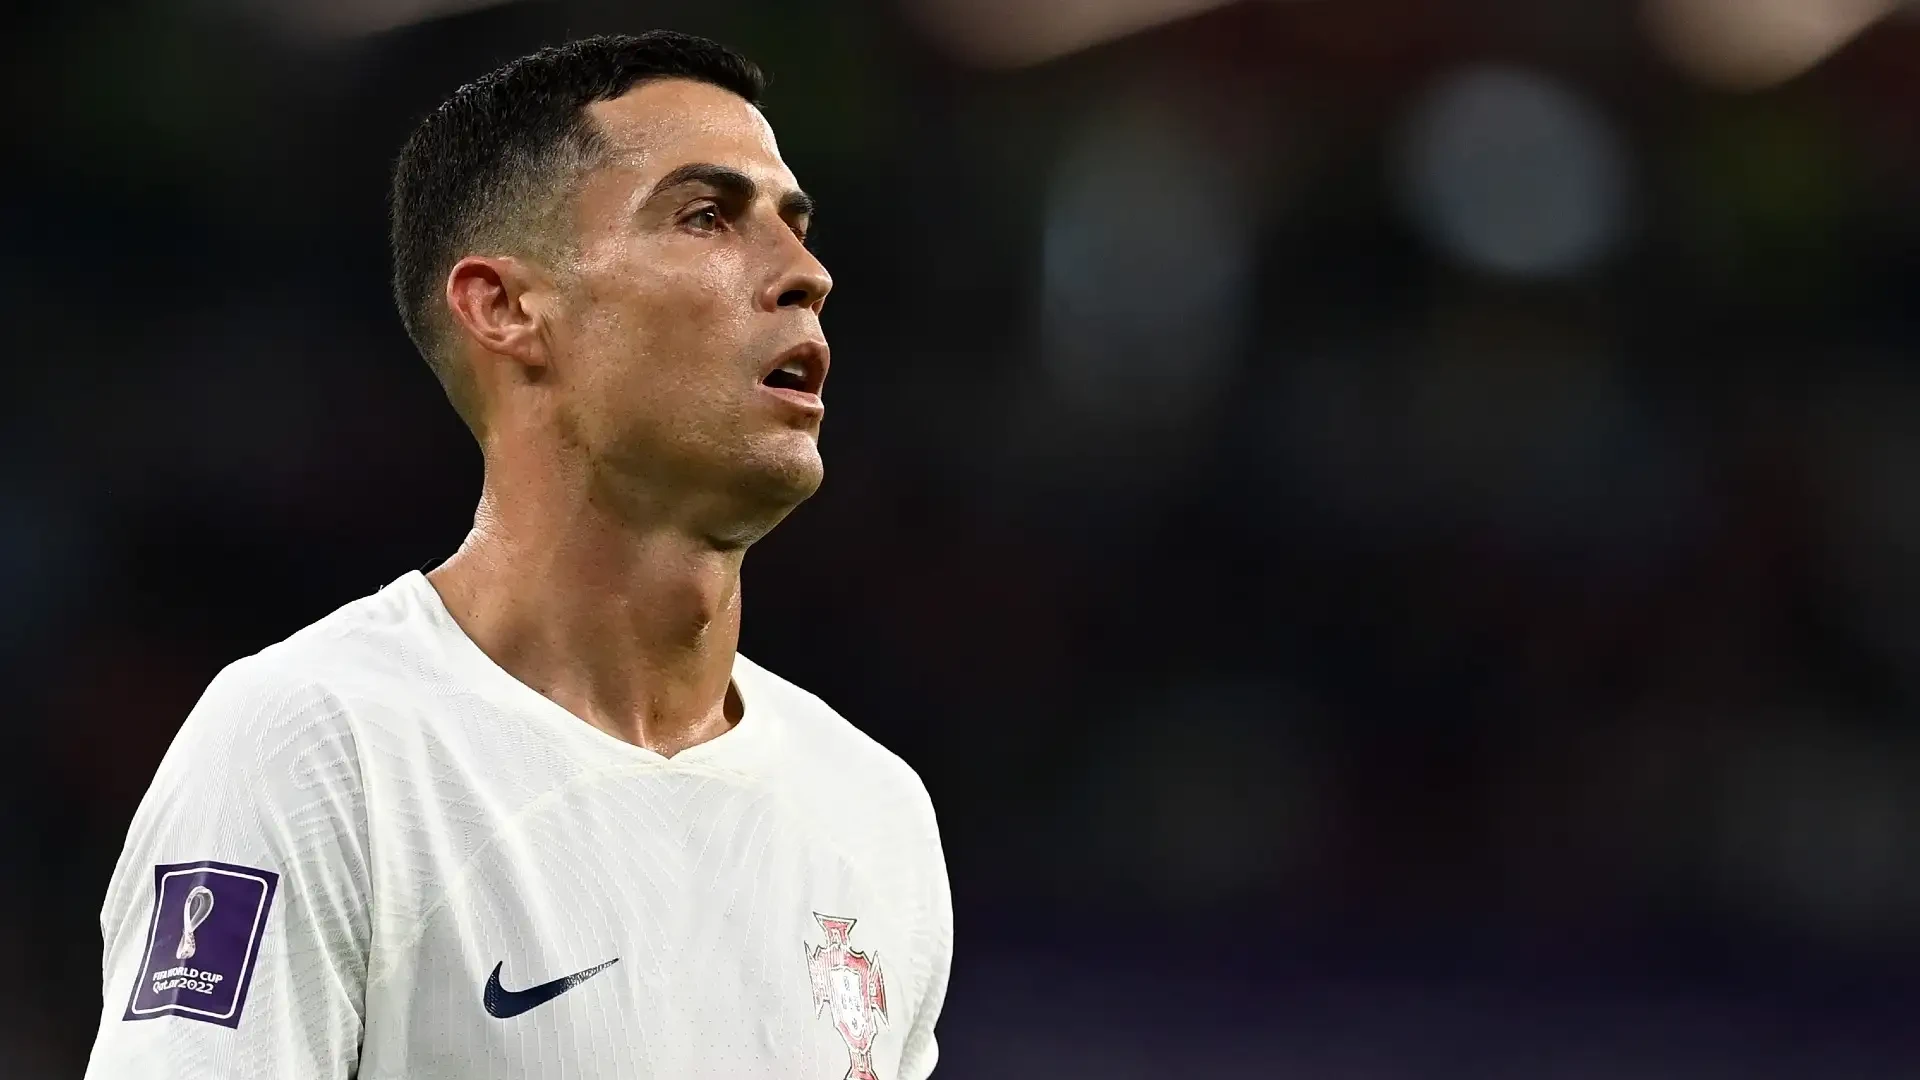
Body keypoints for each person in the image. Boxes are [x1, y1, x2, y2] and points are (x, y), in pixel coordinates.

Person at [84, 31, 950, 1080]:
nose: (806, 275)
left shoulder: (874, 812)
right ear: (505, 308)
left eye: (795, 227)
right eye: (707, 216)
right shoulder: (320, 746)